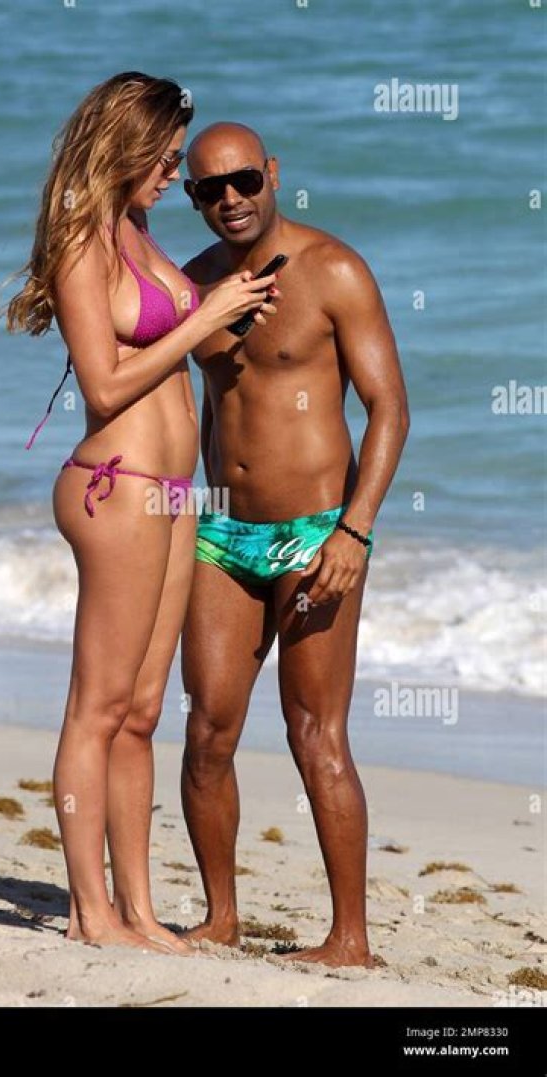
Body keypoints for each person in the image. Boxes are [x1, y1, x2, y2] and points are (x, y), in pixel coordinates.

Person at [0, 79, 279, 952]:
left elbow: (169, 347)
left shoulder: (138, 230)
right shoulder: (81, 241)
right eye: (165, 158)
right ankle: (90, 911)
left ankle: (139, 909)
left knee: (144, 709)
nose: (173, 174)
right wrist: (207, 318)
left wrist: (241, 315)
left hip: (173, 493)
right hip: (114, 487)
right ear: (125, 146)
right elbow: (105, 384)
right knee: (98, 705)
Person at [179, 122, 410, 967]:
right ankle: (220, 918)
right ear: (192, 197)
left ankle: (349, 939)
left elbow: (390, 408)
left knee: (315, 733)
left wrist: (355, 527)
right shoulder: (194, 283)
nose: (231, 199)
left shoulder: (334, 270)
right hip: (222, 531)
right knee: (208, 728)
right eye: (210, 188)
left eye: (243, 179)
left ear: (272, 173)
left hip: (318, 532)